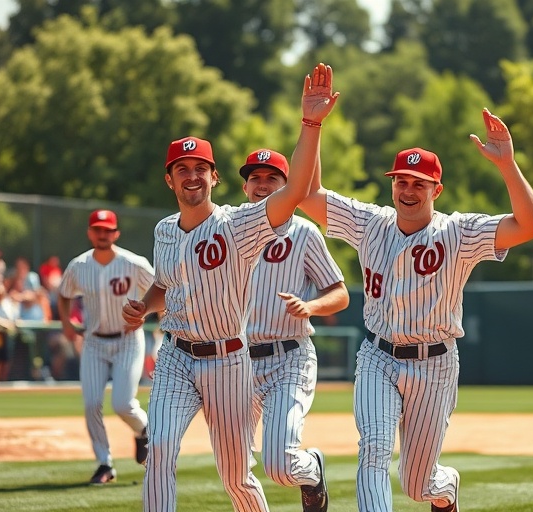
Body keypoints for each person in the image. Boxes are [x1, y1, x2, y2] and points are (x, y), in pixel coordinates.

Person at [297, 108, 533, 512]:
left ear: (436, 190)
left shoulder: (459, 233)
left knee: (417, 483)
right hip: (378, 356)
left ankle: (444, 487)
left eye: (419, 183)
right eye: (401, 181)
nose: (408, 190)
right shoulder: (370, 223)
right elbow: (307, 193)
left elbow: (531, 225)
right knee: (374, 448)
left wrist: (508, 164)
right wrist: (313, 125)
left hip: (435, 364)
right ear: (392, 184)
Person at [121, 62, 338, 512]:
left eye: (201, 168)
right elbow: (165, 282)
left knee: (237, 477)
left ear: (215, 178)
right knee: (159, 448)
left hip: (228, 362)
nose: (192, 175)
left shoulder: (240, 225)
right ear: (170, 179)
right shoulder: (164, 230)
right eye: (182, 169)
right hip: (176, 355)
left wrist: (310, 124)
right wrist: (143, 306)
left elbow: (297, 188)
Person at [239, 148, 349, 509]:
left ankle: (311, 470)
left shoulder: (303, 232)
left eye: (273, 178)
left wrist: (311, 307)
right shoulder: (228, 227)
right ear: (244, 187)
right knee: (234, 463)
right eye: (255, 177)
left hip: (288, 356)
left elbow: (340, 293)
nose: (263, 184)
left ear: (288, 186)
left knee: (280, 464)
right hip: (236, 362)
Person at [57, 209, 156, 485]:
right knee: (92, 404)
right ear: (90, 233)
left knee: (123, 404)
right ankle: (104, 463)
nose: (102, 234)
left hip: (127, 341)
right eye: (97, 229)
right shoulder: (79, 266)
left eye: (107, 230)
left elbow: (162, 288)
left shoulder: (133, 263)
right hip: (94, 341)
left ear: (116, 233)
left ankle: (144, 429)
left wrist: (145, 314)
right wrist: (66, 323)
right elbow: (64, 293)